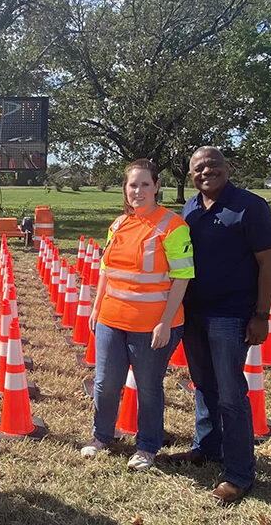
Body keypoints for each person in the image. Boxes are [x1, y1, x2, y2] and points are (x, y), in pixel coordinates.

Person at [171, 146, 271, 504]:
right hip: (194, 313)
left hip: (231, 315)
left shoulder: (251, 206)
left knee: (232, 395)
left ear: (227, 167)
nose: (206, 171)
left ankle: (239, 473)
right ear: (191, 176)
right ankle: (206, 448)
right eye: (199, 168)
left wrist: (261, 316)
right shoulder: (189, 208)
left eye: (213, 165)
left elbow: (268, 265)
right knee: (203, 385)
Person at [81, 159, 194, 471]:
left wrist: (165, 322)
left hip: (152, 326)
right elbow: (106, 269)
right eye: (133, 185)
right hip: (111, 320)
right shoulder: (118, 225)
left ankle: (147, 446)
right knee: (105, 383)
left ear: (157, 187)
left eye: (145, 184)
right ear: (125, 189)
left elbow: (182, 278)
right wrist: (96, 306)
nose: (139, 191)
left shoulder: (173, 226)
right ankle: (101, 436)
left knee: (148, 387)